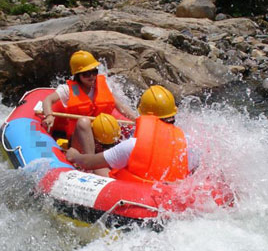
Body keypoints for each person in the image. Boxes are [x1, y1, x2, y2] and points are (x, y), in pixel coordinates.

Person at [66, 85, 199, 182]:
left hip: (133, 193)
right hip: (165, 196)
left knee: (99, 167)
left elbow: (90, 163)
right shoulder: (187, 144)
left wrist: (76, 156)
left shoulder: (132, 145)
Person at [40, 50, 138, 158]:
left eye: (94, 72)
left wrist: (136, 120)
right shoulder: (68, 90)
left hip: (102, 137)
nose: (91, 76)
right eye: (86, 74)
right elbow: (48, 100)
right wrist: (49, 116)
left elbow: (121, 107)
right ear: (77, 75)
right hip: (79, 138)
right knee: (84, 123)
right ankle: (91, 162)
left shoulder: (102, 87)